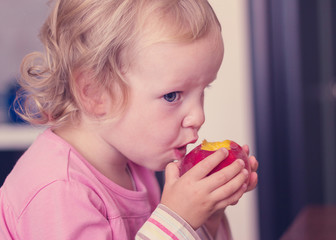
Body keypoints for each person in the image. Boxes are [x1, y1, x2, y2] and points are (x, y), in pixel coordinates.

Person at [0, 0, 258, 239]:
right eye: (172, 95)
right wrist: (178, 219)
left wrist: (206, 219)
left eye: (203, 91)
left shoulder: (134, 164)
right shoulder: (58, 190)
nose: (199, 117)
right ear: (96, 93)